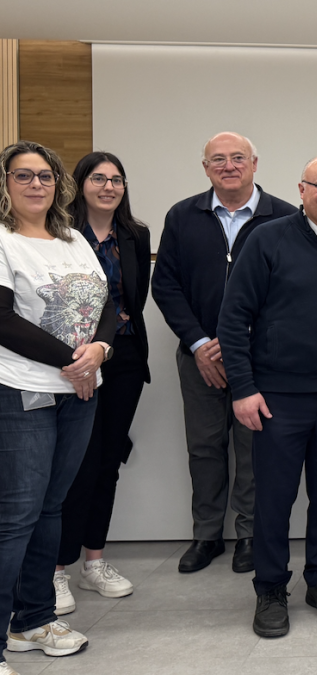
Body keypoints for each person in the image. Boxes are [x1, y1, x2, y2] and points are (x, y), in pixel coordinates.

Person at [217, 155, 317, 638]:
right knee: (274, 499)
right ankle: (270, 588)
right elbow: (233, 318)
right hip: (277, 398)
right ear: (302, 190)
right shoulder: (268, 240)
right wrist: (243, 390)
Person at [152, 132, 297, 574]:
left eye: (238, 158)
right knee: (204, 447)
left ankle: (250, 534)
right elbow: (166, 285)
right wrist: (200, 343)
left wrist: (238, 344)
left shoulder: (285, 218)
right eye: (219, 159)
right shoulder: (182, 216)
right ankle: (206, 535)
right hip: (199, 358)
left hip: (258, 359)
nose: (229, 165)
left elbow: (289, 292)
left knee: (254, 448)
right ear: (206, 168)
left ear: (255, 163)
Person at [1, 140, 115, 666]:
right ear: (5, 183)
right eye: (23, 176)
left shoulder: (72, 239)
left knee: (51, 508)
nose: (36, 185)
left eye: (44, 176)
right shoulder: (3, 242)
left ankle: (34, 621)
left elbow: (106, 303)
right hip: (24, 389)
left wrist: (100, 350)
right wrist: (75, 361)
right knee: (18, 516)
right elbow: (2, 320)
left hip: (79, 391)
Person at [53, 152, 153, 615]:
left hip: (125, 356)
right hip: (73, 359)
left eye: (116, 179)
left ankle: (94, 562)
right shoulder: (59, 236)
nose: (108, 187)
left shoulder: (136, 235)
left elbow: (133, 300)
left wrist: (113, 341)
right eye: (98, 178)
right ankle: (56, 568)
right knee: (76, 464)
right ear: (80, 184)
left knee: (108, 459)